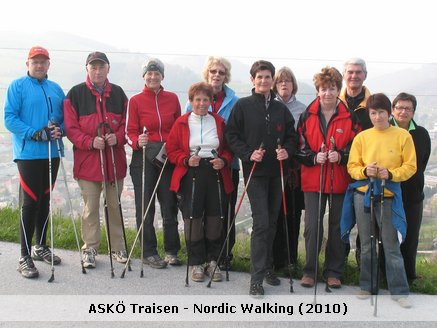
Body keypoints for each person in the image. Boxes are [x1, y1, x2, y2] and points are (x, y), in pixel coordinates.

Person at [226, 60, 297, 297]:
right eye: (260, 77)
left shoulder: (280, 109)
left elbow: (292, 137)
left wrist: (287, 150)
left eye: (268, 77)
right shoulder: (243, 106)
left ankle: (267, 267)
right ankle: (255, 279)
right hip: (255, 172)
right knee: (262, 223)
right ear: (252, 80)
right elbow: (232, 135)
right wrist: (248, 153)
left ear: (272, 80)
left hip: (278, 172)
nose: (264, 81)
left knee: (273, 222)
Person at [341, 93, 416, 308]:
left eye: (381, 112)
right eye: (373, 113)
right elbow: (352, 167)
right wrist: (366, 170)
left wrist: (390, 174)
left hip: (388, 196)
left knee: (390, 245)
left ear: (389, 112)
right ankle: (367, 286)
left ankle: (399, 291)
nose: (377, 117)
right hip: (363, 194)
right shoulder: (362, 137)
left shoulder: (402, 136)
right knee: (366, 244)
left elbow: (410, 166)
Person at [295, 66, 360, 289]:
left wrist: (340, 155)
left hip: (341, 180)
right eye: (323, 89)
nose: (328, 93)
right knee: (312, 226)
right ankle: (310, 271)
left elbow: (357, 148)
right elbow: (298, 148)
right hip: (313, 180)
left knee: (337, 226)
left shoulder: (349, 117)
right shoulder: (306, 116)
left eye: (332, 88)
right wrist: (314, 157)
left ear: (338, 90)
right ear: (317, 91)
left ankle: (334, 271)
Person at [4, 46, 64, 278]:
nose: (39, 65)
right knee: (30, 202)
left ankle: (40, 246)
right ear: (27, 64)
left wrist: (62, 130)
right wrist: (34, 133)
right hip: (28, 153)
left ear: (49, 65)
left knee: (45, 200)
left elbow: (67, 119)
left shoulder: (56, 89)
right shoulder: (17, 86)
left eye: (43, 61)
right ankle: (24, 256)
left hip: (52, 153)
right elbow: (9, 118)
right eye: (35, 61)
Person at [64, 51, 128, 268]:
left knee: (114, 206)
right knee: (90, 208)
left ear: (108, 69)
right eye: (94, 67)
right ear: (87, 70)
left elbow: (127, 126)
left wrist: (116, 138)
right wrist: (90, 142)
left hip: (113, 161)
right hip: (88, 164)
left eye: (101, 67)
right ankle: (90, 248)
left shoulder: (119, 94)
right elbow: (71, 129)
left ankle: (117, 248)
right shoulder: (75, 94)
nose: (98, 71)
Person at [166, 82, 233, 283]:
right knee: (193, 218)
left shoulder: (220, 122)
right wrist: (186, 160)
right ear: (191, 101)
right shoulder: (181, 123)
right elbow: (171, 150)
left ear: (212, 102)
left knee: (215, 217)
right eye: (198, 100)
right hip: (191, 173)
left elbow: (229, 149)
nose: (202, 103)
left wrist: (224, 161)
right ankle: (196, 262)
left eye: (206, 99)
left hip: (215, 173)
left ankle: (213, 261)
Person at [126, 58, 182, 269]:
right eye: (149, 74)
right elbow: (130, 130)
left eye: (156, 73)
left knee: (169, 204)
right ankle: (148, 252)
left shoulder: (172, 98)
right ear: (144, 77)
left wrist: (175, 145)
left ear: (162, 76)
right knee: (145, 207)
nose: (152, 77)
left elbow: (179, 126)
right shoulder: (136, 101)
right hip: (143, 156)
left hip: (167, 156)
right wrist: (135, 141)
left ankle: (171, 251)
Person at [185, 56, 239, 270]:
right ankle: (201, 257)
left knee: (223, 212)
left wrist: (226, 159)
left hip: (226, 165)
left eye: (221, 72)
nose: (217, 75)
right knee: (198, 213)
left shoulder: (234, 102)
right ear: (207, 74)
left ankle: (223, 255)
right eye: (213, 71)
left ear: (226, 76)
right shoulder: (194, 98)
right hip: (197, 166)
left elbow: (235, 135)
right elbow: (183, 130)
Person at [390, 92, 430, 283]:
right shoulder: (384, 130)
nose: (403, 112)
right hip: (389, 193)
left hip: (413, 195)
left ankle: (409, 276)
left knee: (411, 237)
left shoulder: (421, 134)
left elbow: (422, 163)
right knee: (388, 238)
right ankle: (386, 275)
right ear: (392, 110)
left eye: (408, 108)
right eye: (399, 107)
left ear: (413, 112)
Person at [271, 66, 306, 273]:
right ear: (275, 86)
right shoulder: (269, 107)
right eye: (280, 81)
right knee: (274, 213)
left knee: (292, 213)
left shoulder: (303, 109)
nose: (284, 84)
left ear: (294, 85)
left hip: (295, 170)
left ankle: (291, 259)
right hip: (273, 167)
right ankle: (275, 259)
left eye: (288, 81)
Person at [339, 57, 372, 264]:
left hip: (364, 172)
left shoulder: (373, 104)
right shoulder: (334, 101)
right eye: (350, 72)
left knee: (365, 223)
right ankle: (338, 265)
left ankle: (364, 266)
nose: (354, 76)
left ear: (365, 75)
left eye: (358, 72)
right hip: (339, 170)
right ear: (344, 76)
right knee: (339, 220)